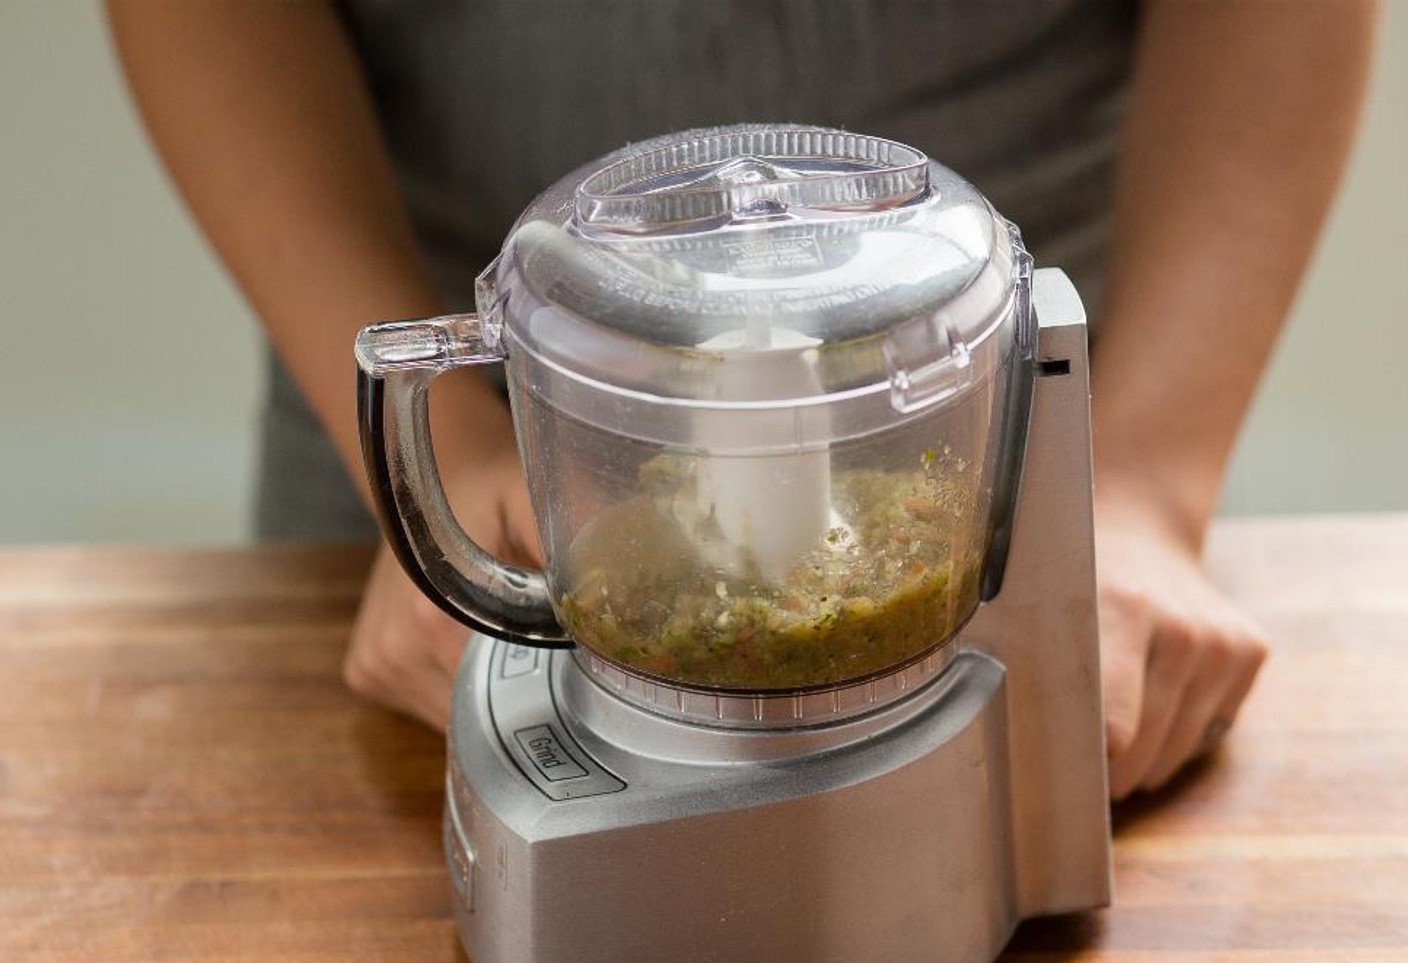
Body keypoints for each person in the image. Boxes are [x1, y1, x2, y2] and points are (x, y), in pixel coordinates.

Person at [106, 0, 1376, 800]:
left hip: (1019, 437)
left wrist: (1142, 484)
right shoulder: (442, 430)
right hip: (450, 421)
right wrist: (442, 442)